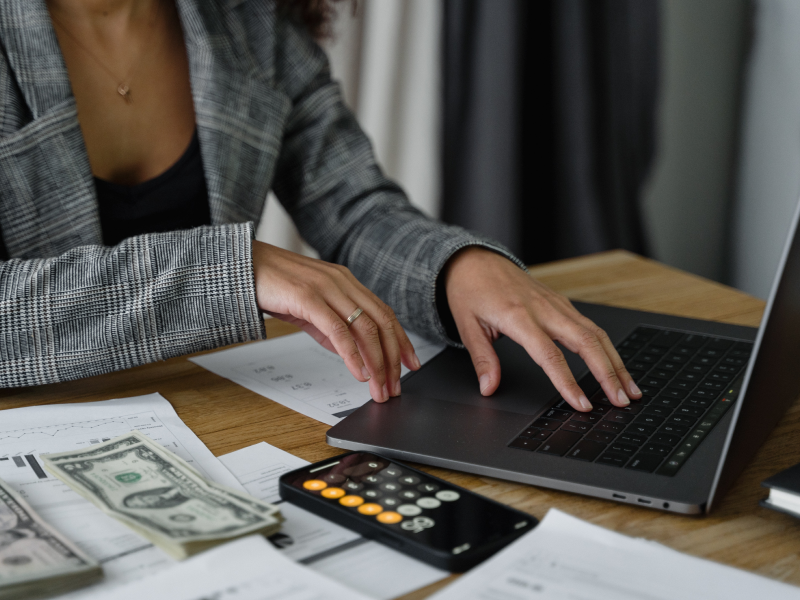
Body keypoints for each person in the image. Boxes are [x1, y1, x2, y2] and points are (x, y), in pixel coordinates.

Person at [0, 0, 640, 412]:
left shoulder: (248, 25)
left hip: (203, 412)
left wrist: (458, 266)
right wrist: (232, 271)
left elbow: (354, 207)